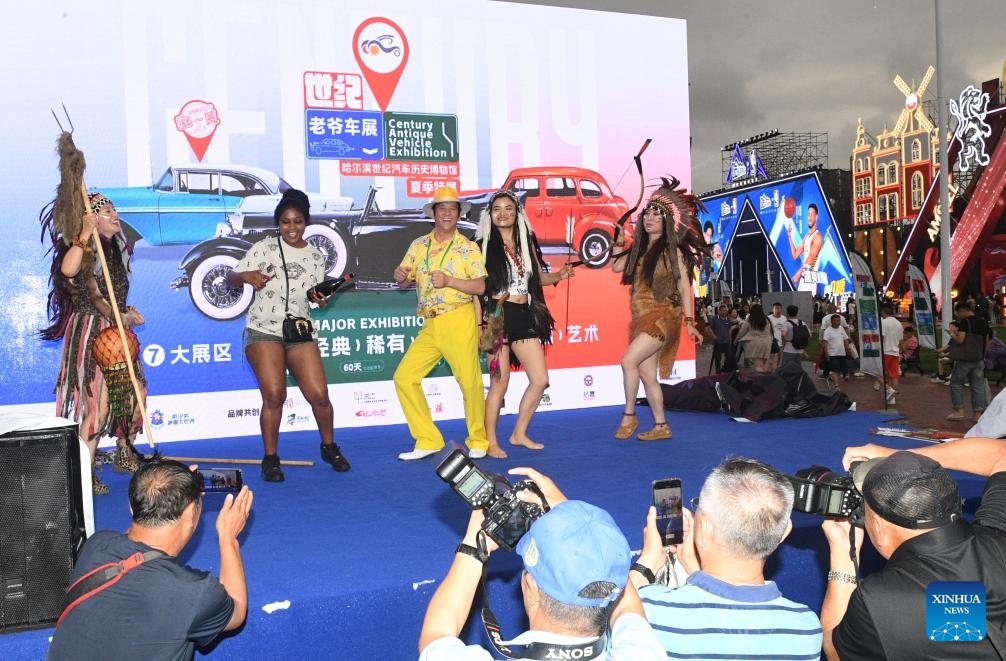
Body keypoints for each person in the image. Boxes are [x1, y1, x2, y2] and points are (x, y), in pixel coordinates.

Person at [417, 467, 665, 660]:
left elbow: (436, 635)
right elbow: (626, 605)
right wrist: (570, 516)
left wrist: (473, 546)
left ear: (531, 589)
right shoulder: (643, 653)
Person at [47, 460, 253, 661]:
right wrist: (228, 537)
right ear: (191, 512)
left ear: (131, 507)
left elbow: (134, 538)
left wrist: (170, 486)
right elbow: (237, 610)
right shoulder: (196, 592)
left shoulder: (96, 544)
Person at [821, 438, 1006, 660]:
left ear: (878, 526)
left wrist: (843, 555)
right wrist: (906, 460)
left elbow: (834, 651)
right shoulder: (997, 531)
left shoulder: (881, 601)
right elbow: (1001, 453)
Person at [630, 457, 822, 659]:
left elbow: (612, 618)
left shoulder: (650, 609)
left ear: (704, 528)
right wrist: (695, 571)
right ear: (784, 532)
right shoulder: (805, 628)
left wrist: (647, 562)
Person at [228, 189, 349, 482]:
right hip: (263, 330)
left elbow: (312, 298)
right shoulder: (264, 248)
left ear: (306, 222)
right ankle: (270, 458)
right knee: (274, 395)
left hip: (299, 331)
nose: (291, 227)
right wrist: (246, 276)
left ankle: (329, 446)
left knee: (319, 396)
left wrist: (321, 299)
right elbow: (231, 277)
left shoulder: (316, 256)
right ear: (278, 223)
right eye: (285, 222)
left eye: (297, 221)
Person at [41, 192, 147, 495]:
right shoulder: (84, 246)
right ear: (92, 218)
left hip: (117, 331)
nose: (115, 215)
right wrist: (84, 233)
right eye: (108, 211)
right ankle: (84, 470)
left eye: (115, 210)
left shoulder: (117, 248)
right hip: (92, 331)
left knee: (134, 394)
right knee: (99, 402)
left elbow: (115, 296)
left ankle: (125, 451)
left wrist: (127, 314)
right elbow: (68, 270)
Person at [393, 187, 489, 461]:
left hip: (458, 317)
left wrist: (450, 281)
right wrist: (400, 276)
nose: (447, 213)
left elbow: (480, 286)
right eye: (442, 208)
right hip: (430, 323)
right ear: (433, 213)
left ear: (459, 214)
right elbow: (404, 279)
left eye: (452, 209)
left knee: (469, 382)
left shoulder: (467, 247)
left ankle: (478, 439)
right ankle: (428, 439)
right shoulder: (418, 245)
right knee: (404, 377)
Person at [476, 191, 573, 459]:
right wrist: (480, 323)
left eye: (508, 208)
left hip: (523, 313)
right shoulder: (480, 245)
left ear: (517, 212)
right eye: (497, 209)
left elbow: (536, 279)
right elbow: (476, 289)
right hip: (496, 316)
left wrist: (559, 275)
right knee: (499, 383)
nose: (503, 213)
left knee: (540, 380)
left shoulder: (526, 242)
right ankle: (490, 441)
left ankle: (519, 433)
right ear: (489, 214)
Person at [611, 179, 705, 442]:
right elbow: (616, 267)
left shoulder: (672, 250)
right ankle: (661, 425)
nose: (649, 218)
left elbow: (684, 287)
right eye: (647, 214)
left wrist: (689, 322)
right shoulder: (639, 248)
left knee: (628, 361)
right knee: (646, 375)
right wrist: (619, 241)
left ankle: (629, 415)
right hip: (641, 318)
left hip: (663, 317)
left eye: (656, 214)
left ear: (666, 221)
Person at [946, 300, 990, 421]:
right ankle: (977, 414)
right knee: (978, 385)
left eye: (958, 313)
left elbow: (960, 340)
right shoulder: (983, 322)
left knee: (956, 382)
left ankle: (958, 411)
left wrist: (952, 334)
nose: (958, 316)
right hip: (979, 358)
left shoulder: (966, 322)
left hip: (965, 358)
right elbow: (988, 339)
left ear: (962, 311)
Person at [787, 203, 823, 292]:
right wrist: (789, 237)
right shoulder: (807, 236)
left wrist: (798, 274)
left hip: (811, 280)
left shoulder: (817, 237)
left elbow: (810, 258)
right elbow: (795, 254)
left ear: (816, 217)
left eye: (812, 214)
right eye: (808, 214)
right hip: (803, 279)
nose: (810, 217)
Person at [734, 303, 773, 372]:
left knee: (758, 365)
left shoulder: (750, 319)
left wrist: (736, 340)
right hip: (767, 343)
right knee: (764, 364)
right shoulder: (767, 319)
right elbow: (771, 331)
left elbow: (742, 331)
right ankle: (765, 377)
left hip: (756, 343)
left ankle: (759, 378)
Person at [879, 303, 904, 405]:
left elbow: (882, 337)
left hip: (885, 351)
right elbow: (901, 340)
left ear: (883, 312)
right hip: (895, 352)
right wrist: (900, 352)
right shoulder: (898, 323)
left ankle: (889, 389)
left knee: (877, 374)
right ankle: (891, 398)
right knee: (893, 375)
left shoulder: (883, 322)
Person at [821, 313, 851, 388]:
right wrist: (826, 353)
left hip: (841, 353)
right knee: (834, 370)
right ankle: (836, 384)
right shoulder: (828, 330)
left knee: (841, 369)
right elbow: (825, 342)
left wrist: (847, 348)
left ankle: (842, 376)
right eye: (836, 321)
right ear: (831, 321)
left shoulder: (841, 328)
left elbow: (845, 339)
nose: (838, 322)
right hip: (832, 354)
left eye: (838, 321)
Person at [780, 304, 806, 369]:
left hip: (789, 349)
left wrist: (783, 344)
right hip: (799, 350)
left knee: (786, 368)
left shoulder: (786, 324)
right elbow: (808, 336)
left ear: (787, 313)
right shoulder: (802, 323)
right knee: (797, 368)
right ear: (796, 313)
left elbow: (783, 335)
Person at [767, 301, 787, 369]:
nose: (778, 310)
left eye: (779, 308)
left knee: (779, 358)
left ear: (781, 309)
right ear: (773, 309)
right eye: (776, 308)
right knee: (773, 360)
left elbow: (785, 330)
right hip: (772, 343)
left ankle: (776, 371)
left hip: (781, 343)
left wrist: (785, 342)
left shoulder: (784, 318)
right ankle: (773, 371)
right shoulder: (768, 318)